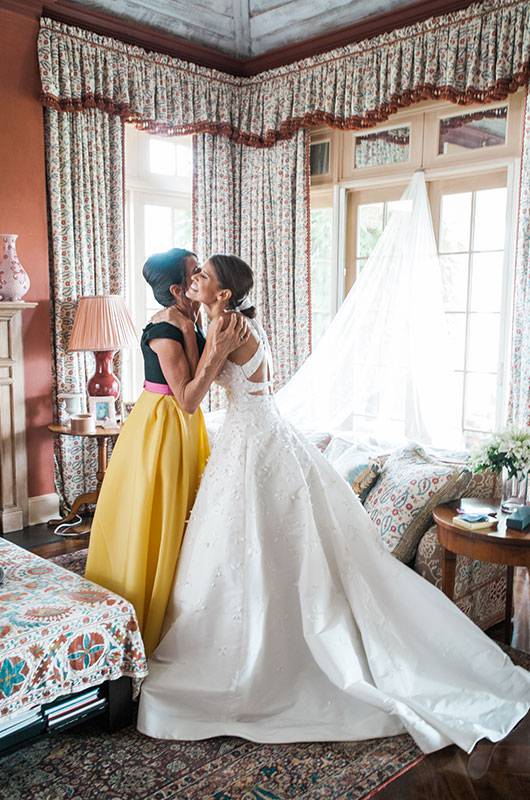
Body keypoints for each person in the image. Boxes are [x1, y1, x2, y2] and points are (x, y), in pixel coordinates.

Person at [137, 254, 530, 754]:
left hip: (253, 446)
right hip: (259, 436)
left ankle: (251, 661)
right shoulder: (228, 322)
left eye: (204, 277)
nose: (194, 280)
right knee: (255, 549)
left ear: (222, 294)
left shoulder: (225, 330)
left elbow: (192, 395)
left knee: (252, 548)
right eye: (193, 275)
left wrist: (194, 343)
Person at [85, 248, 249, 655]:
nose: (198, 279)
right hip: (163, 425)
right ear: (177, 289)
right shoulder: (164, 331)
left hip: (184, 428)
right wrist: (216, 349)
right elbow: (188, 399)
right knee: (164, 515)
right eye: (194, 273)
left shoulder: (191, 318)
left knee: (191, 516)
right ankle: (148, 613)